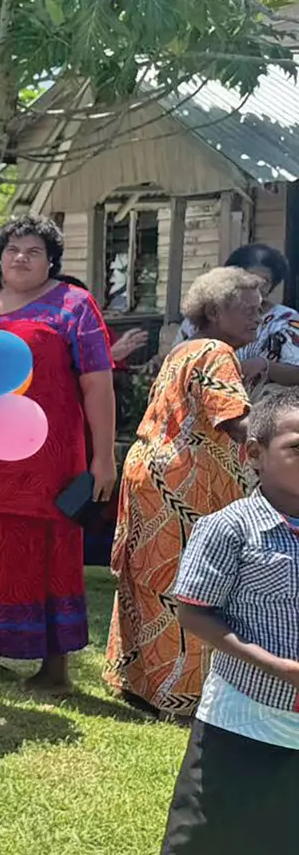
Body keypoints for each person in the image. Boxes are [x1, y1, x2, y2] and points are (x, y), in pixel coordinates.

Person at [129, 384, 299, 855]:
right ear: (255, 455)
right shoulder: (230, 528)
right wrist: (274, 665)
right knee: (202, 825)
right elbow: (195, 611)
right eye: (296, 448)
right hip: (245, 709)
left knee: (287, 829)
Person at [0, 219, 117, 691]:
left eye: (34, 250)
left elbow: (98, 384)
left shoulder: (74, 306)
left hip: (48, 455)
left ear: (51, 261)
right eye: (12, 249)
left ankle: (54, 668)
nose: (21, 257)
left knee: (50, 548)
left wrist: (104, 457)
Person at [107, 266, 262, 717]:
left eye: (259, 309)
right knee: (188, 584)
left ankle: (137, 681)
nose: (256, 318)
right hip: (185, 483)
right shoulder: (217, 352)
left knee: (148, 578)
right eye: (247, 310)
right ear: (214, 311)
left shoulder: (184, 349)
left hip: (149, 472)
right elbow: (235, 422)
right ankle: (179, 696)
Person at [178, 242, 299, 390]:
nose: (257, 287)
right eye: (250, 278)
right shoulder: (205, 314)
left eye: (265, 281)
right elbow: (178, 362)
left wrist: (266, 366)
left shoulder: (285, 319)